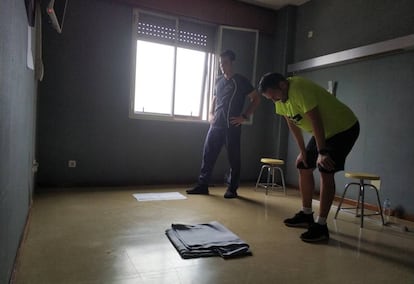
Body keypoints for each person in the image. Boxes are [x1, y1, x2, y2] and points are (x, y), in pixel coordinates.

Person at [258, 73, 359, 242]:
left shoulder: (299, 89)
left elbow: (315, 120)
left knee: (325, 168)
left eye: (274, 95)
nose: (274, 100)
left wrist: (323, 152)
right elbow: (292, 124)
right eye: (270, 98)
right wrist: (303, 151)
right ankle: (306, 215)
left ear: (282, 85)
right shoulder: (280, 101)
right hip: (324, 131)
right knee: (303, 165)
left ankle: (321, 226)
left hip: (344, 128)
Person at [187, 50, 260, 199]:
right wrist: (210, 114)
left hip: (232, 126)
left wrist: (244, 116)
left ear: (232, 63)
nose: (222, 66)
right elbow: (214, 99)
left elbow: (256, 99)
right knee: (208, 155)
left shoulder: (241, 81)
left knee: (234, 158)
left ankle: (232, 189)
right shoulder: (218, 81)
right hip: (216, 125)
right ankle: (202, 185)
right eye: (220, 63)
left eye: (225, 62)